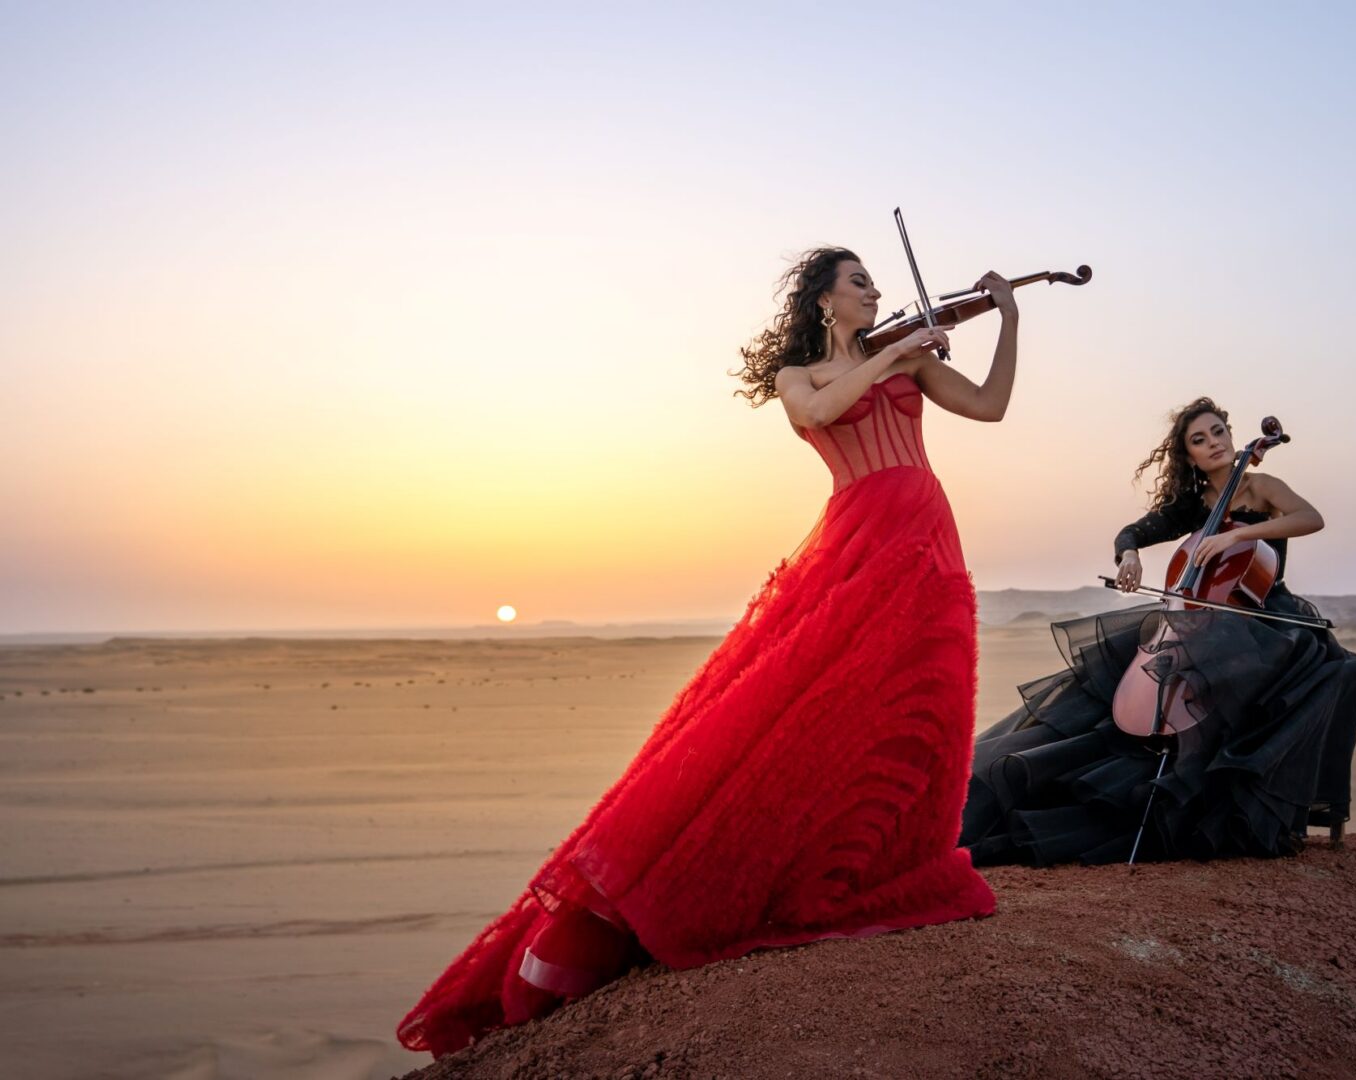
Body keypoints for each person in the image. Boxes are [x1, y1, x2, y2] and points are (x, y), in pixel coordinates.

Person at [399, 248, 1018, 1056]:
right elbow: (823, 414)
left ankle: (893, 861)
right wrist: (897, 351)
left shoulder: (905, 361)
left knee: (926, 694)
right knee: (818, 705)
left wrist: (1008, 318)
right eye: (858, 281)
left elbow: (992, 407)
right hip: (859, 539)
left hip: (927, 530)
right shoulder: (799, 376)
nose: (876, 292)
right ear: (824, 299)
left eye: (875, 281)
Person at [961, 397, 1356, 867]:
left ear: (1229, 433)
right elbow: (1132, 532)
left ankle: (1242, 801)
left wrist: (1235, 535)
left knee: (1334, 672)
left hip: (1264, 621)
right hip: (1203, 620)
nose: (1214, 444)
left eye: (1217, 432)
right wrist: (1129, 555)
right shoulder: (1195, 504)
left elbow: (1310, 518)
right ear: (1190, 457)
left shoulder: (1261, 485)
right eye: (1199, 440)